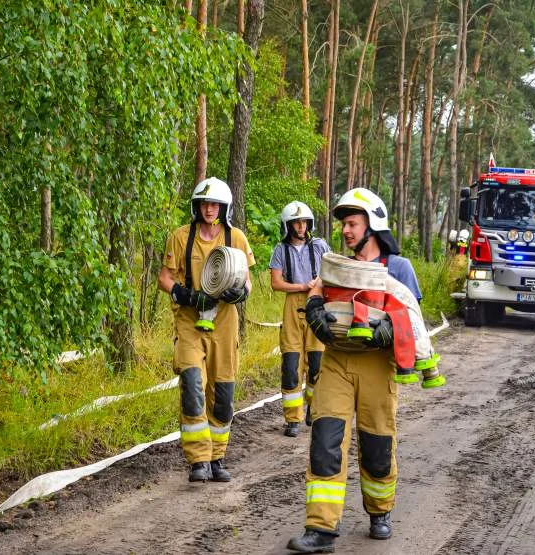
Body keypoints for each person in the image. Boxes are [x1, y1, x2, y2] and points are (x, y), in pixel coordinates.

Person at [287, 187, 424, 553]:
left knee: (377, 444)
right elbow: (315, 296)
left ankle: (380, 512)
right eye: (344, 224)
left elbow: (414, 321)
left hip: (378, 368)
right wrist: (314, 313)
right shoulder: (335, 267)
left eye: (351, 223)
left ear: (372, 225)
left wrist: (388, 331)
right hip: (336, 363)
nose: (345, 231)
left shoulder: (399, 268)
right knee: (325, 442)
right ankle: (321, 529)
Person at [158, 177, 256, 483]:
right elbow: (164, 278)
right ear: (196, 206)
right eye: (204, 204)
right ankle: (197, 460)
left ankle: (217, 458)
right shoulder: (180, 237)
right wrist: (186, 295)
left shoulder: (235, 238)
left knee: (222, 393)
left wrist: (240, 293)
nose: (209, 209)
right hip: (190, 320)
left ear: (224, 207)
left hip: (224, 324)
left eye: (214, 204)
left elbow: (248, 281)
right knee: (192, 385)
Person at [269, 201, 331, 437]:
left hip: (317, 304)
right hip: (293, 306)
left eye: (304, 221)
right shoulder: (280, 250)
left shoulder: (320, 246)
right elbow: (276, 283)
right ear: (288, 225)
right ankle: (292, 419)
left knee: (317, 364)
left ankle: (313, 409)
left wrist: (318, 285)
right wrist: (301, 286)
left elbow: (332, 269)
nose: (301, 226)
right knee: (291, 365)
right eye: (296, 222)